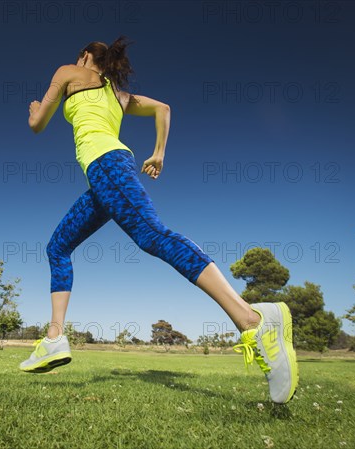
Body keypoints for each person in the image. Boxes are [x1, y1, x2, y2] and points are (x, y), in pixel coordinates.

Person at [20, 36, 298, 404]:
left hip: (107, 167)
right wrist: (159, 154)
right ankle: (55, 338)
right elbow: (163, 108)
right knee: (57, 247)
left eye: (79, 55)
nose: (75, 59)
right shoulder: (118, 94)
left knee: (153, 236)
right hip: (104, 177)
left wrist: (35, 108)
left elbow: (38, 123)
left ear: (86, 56)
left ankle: (253, 321)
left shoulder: (68, 72)